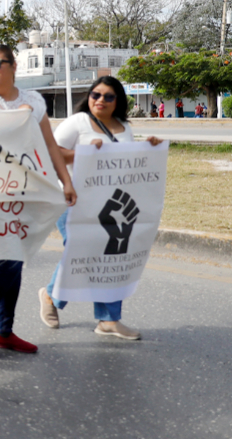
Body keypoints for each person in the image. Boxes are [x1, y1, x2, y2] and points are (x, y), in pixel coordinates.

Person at [0, 43, 75, 358]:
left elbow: (50, 146)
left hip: (27, 194)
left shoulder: (33, 101)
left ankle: (5, 330)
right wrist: (20, 118)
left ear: (13, 66)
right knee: (8, 260)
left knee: (17, 260)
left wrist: (65, 182)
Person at [40, 76, 164, 341]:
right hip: (72, 199)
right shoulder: (78, 122)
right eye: (96, 94)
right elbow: (52, 152)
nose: (100, 100)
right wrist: (83, 152)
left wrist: (149, 149)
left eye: (108, 97)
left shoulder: (123, 127)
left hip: (109, 202)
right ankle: (52, 295)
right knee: (79, 251)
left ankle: (108, 320)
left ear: (118, 101)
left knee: (112, 255)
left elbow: (127, 162)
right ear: (89, 96)